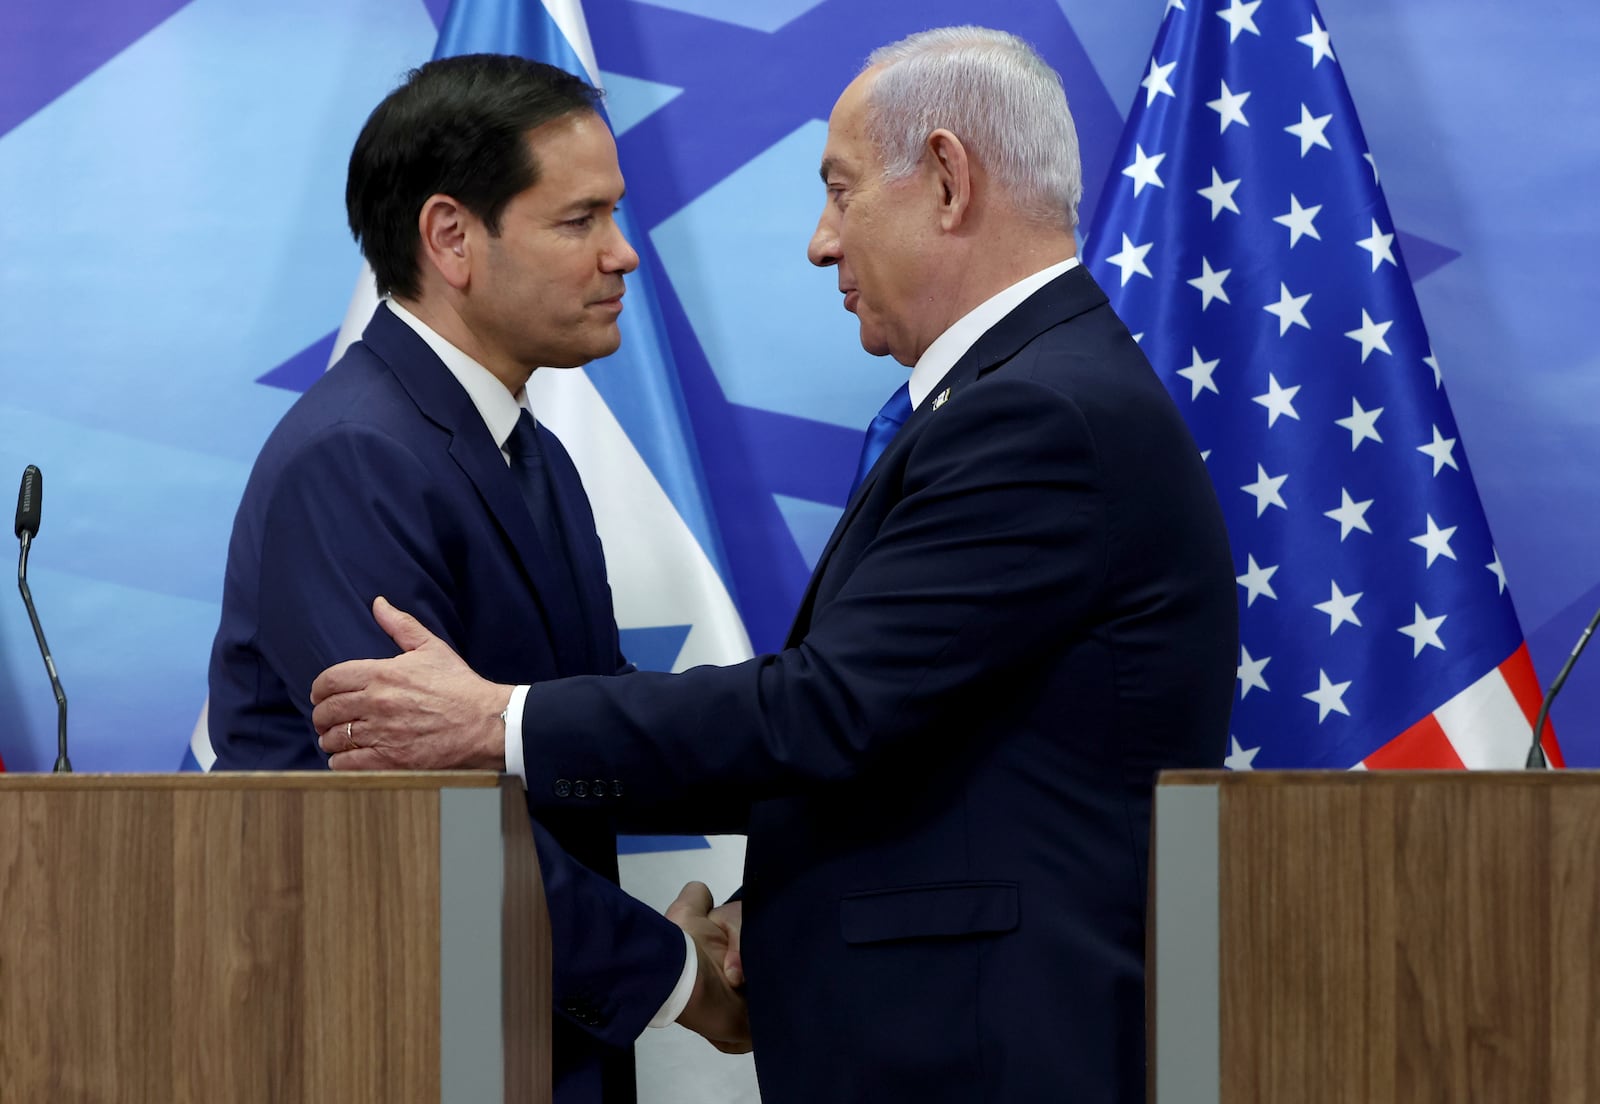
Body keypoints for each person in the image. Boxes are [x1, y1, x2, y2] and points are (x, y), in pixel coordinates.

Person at [310, 27, 1238, 1102]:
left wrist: (493, 723)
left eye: (841, 193)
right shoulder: (1036, 392)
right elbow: (911, 732)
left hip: (985, 1048)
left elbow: (829, 710)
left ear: (946, 179)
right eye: (582, 218)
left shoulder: (1036, 414)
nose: (819, 241)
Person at [205, 53, 747, 1104]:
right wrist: (680, 975)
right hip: (405, 1038)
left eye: (615, 215)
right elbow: (425, 833)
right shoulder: (355, 458)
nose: (623, 255)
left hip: (508, 1037)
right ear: (451, 238)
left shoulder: (522, 447)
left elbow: (582, 727)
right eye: (579, 219)